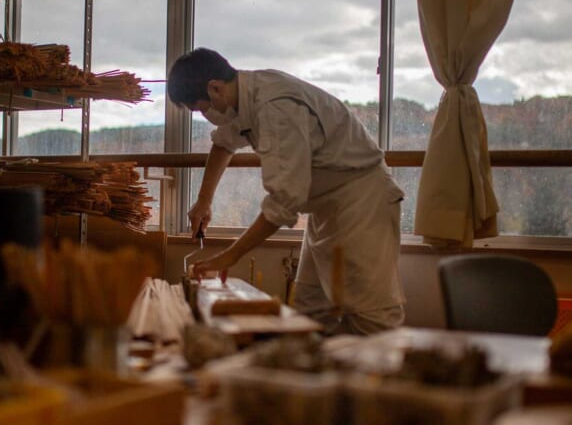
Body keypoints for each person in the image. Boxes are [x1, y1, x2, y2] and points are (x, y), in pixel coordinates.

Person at [167, 48, 405, 335]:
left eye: (201, 109)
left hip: (362, 201)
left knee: (371, 315)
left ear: (215, 88)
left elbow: (283, 201)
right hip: (326, 207)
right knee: (311, 308)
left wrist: (231, 255)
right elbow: (223, 144)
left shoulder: (275, 108)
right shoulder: (241, 99)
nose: (206, 116)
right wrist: (203, 201)